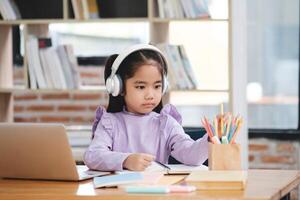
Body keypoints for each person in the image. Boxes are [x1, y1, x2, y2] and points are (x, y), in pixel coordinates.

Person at [84, 44, 208, 171]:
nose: (150, 95)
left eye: (157, 86)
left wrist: (210, 139)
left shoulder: (166, 124)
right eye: (141, 87)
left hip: (158, 188)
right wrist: (126, 160)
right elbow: (93, 156)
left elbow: (192, 156)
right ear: (119, 87)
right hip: (119, 190)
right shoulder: (110, 123)